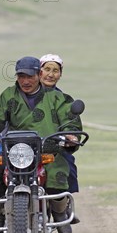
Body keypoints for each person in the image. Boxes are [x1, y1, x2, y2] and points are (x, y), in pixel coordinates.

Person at [0, 56, 82, 233]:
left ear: (38, 74)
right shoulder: (9, 95)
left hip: (47, 148)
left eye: (30, 76)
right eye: (21, 76)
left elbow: (68, 119)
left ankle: (59, 213)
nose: (25, 81)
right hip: (15, 149)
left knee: (58, 171)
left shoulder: (57, 97)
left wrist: (70, 135)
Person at [39, 54, 80, 224]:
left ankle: (61, 210)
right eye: (47, 69)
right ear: (39, 72)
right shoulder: (23, 95)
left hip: (53, 148)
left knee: (67, 166)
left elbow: (71, 123)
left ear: (60, 74)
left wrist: (71, 136)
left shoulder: (64, 100)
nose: (51, 74)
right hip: (24, 148)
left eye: (55, 70)